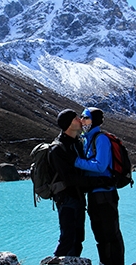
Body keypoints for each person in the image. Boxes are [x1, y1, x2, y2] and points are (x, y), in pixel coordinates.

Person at [48, 109, 114, 258]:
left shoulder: (77, 143)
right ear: (69, 124)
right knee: (67, 238)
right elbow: (69, 179)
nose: (80, 120)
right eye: (76, 118)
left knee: (78, 239)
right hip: (66, 199)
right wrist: (98, 181)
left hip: (78, 199)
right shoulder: (57, 149)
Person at [74, 107, 125, 265]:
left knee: (111, 234)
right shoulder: (88, 139)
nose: (82, 120)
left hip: (106, 194)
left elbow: (101, 165)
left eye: (85, 117)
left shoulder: (100, 139)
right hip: (95, 195)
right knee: (100, 234)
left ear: (93, 121)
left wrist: (76, 162)